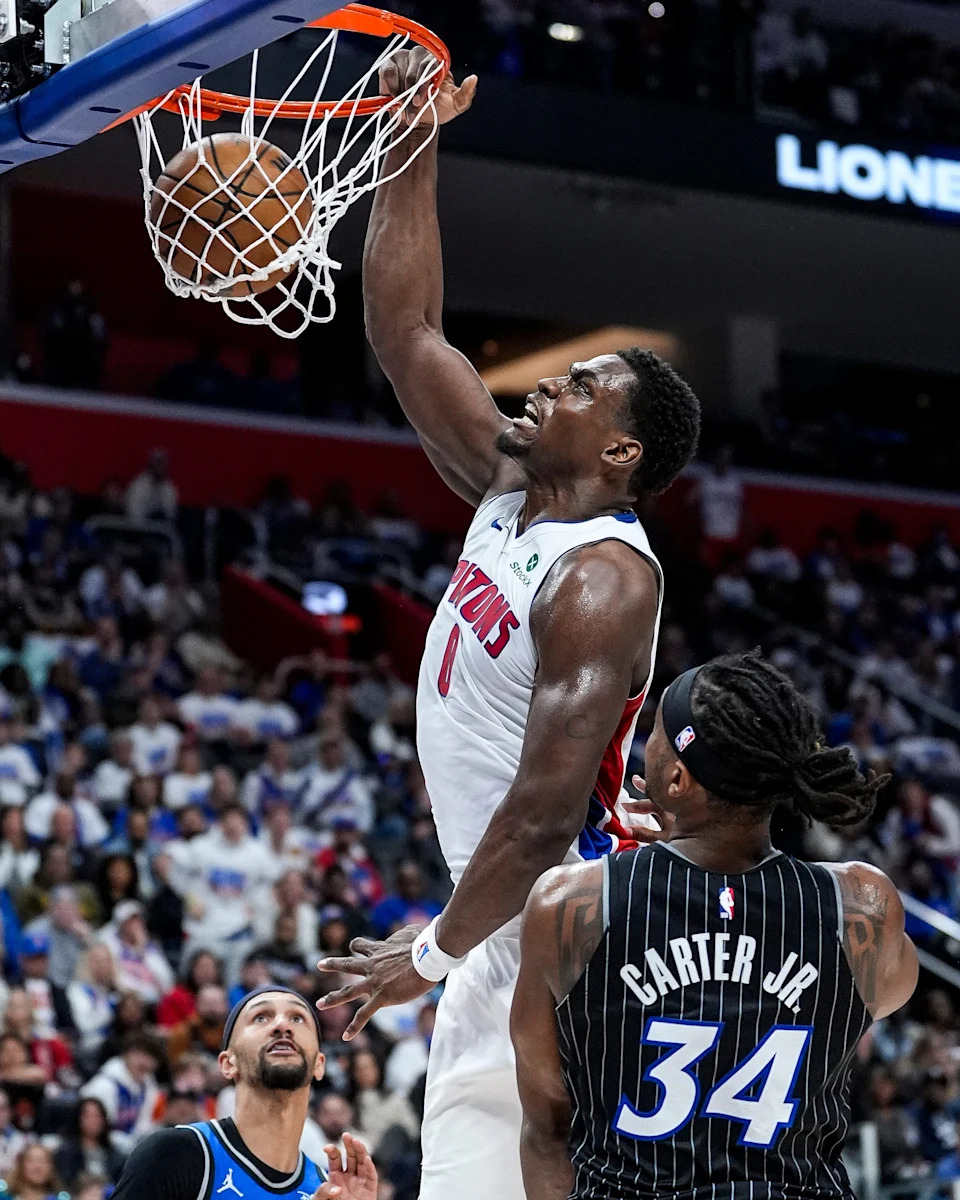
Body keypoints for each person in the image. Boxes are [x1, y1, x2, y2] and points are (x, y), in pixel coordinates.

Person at [317, 48, 700, 1200]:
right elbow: (406, 329)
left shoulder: (603, 582)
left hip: (571, 940)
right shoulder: (507, 485)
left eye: (579, 387)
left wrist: (422, 957)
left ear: (622, 451)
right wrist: (409, 135)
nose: (546, 386)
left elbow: (542, 818)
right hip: (499, 926)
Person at [510, 651, 919, 1200]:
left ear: (677, 778)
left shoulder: (571, 904)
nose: (644, 742)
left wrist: (667, 862)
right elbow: (890, 990)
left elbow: (547, 1131)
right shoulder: (862, 906)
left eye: (654, 729)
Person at [110, 987, 377, 1200]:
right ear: (228, 1063)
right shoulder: (177, 1154)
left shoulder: (326, 1189)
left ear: (319, 1064)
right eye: (261, 1017)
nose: (282, 1025)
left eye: (298, 1018)